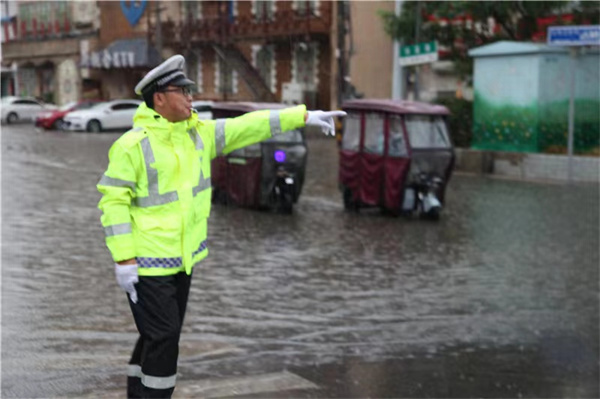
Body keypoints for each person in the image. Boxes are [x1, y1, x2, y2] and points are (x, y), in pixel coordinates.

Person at [97, 54, 345, 398]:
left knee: (158, 333)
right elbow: (113, 203)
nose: (190, 97)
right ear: (159, 98)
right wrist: (124, 260)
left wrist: (301, 116)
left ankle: (137, 391)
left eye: (189, 90)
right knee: (165, 335)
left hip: (183, 261)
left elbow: (250, 125)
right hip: (147, 263)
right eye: (181, 91)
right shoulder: (132, 146)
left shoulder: (199, 135)